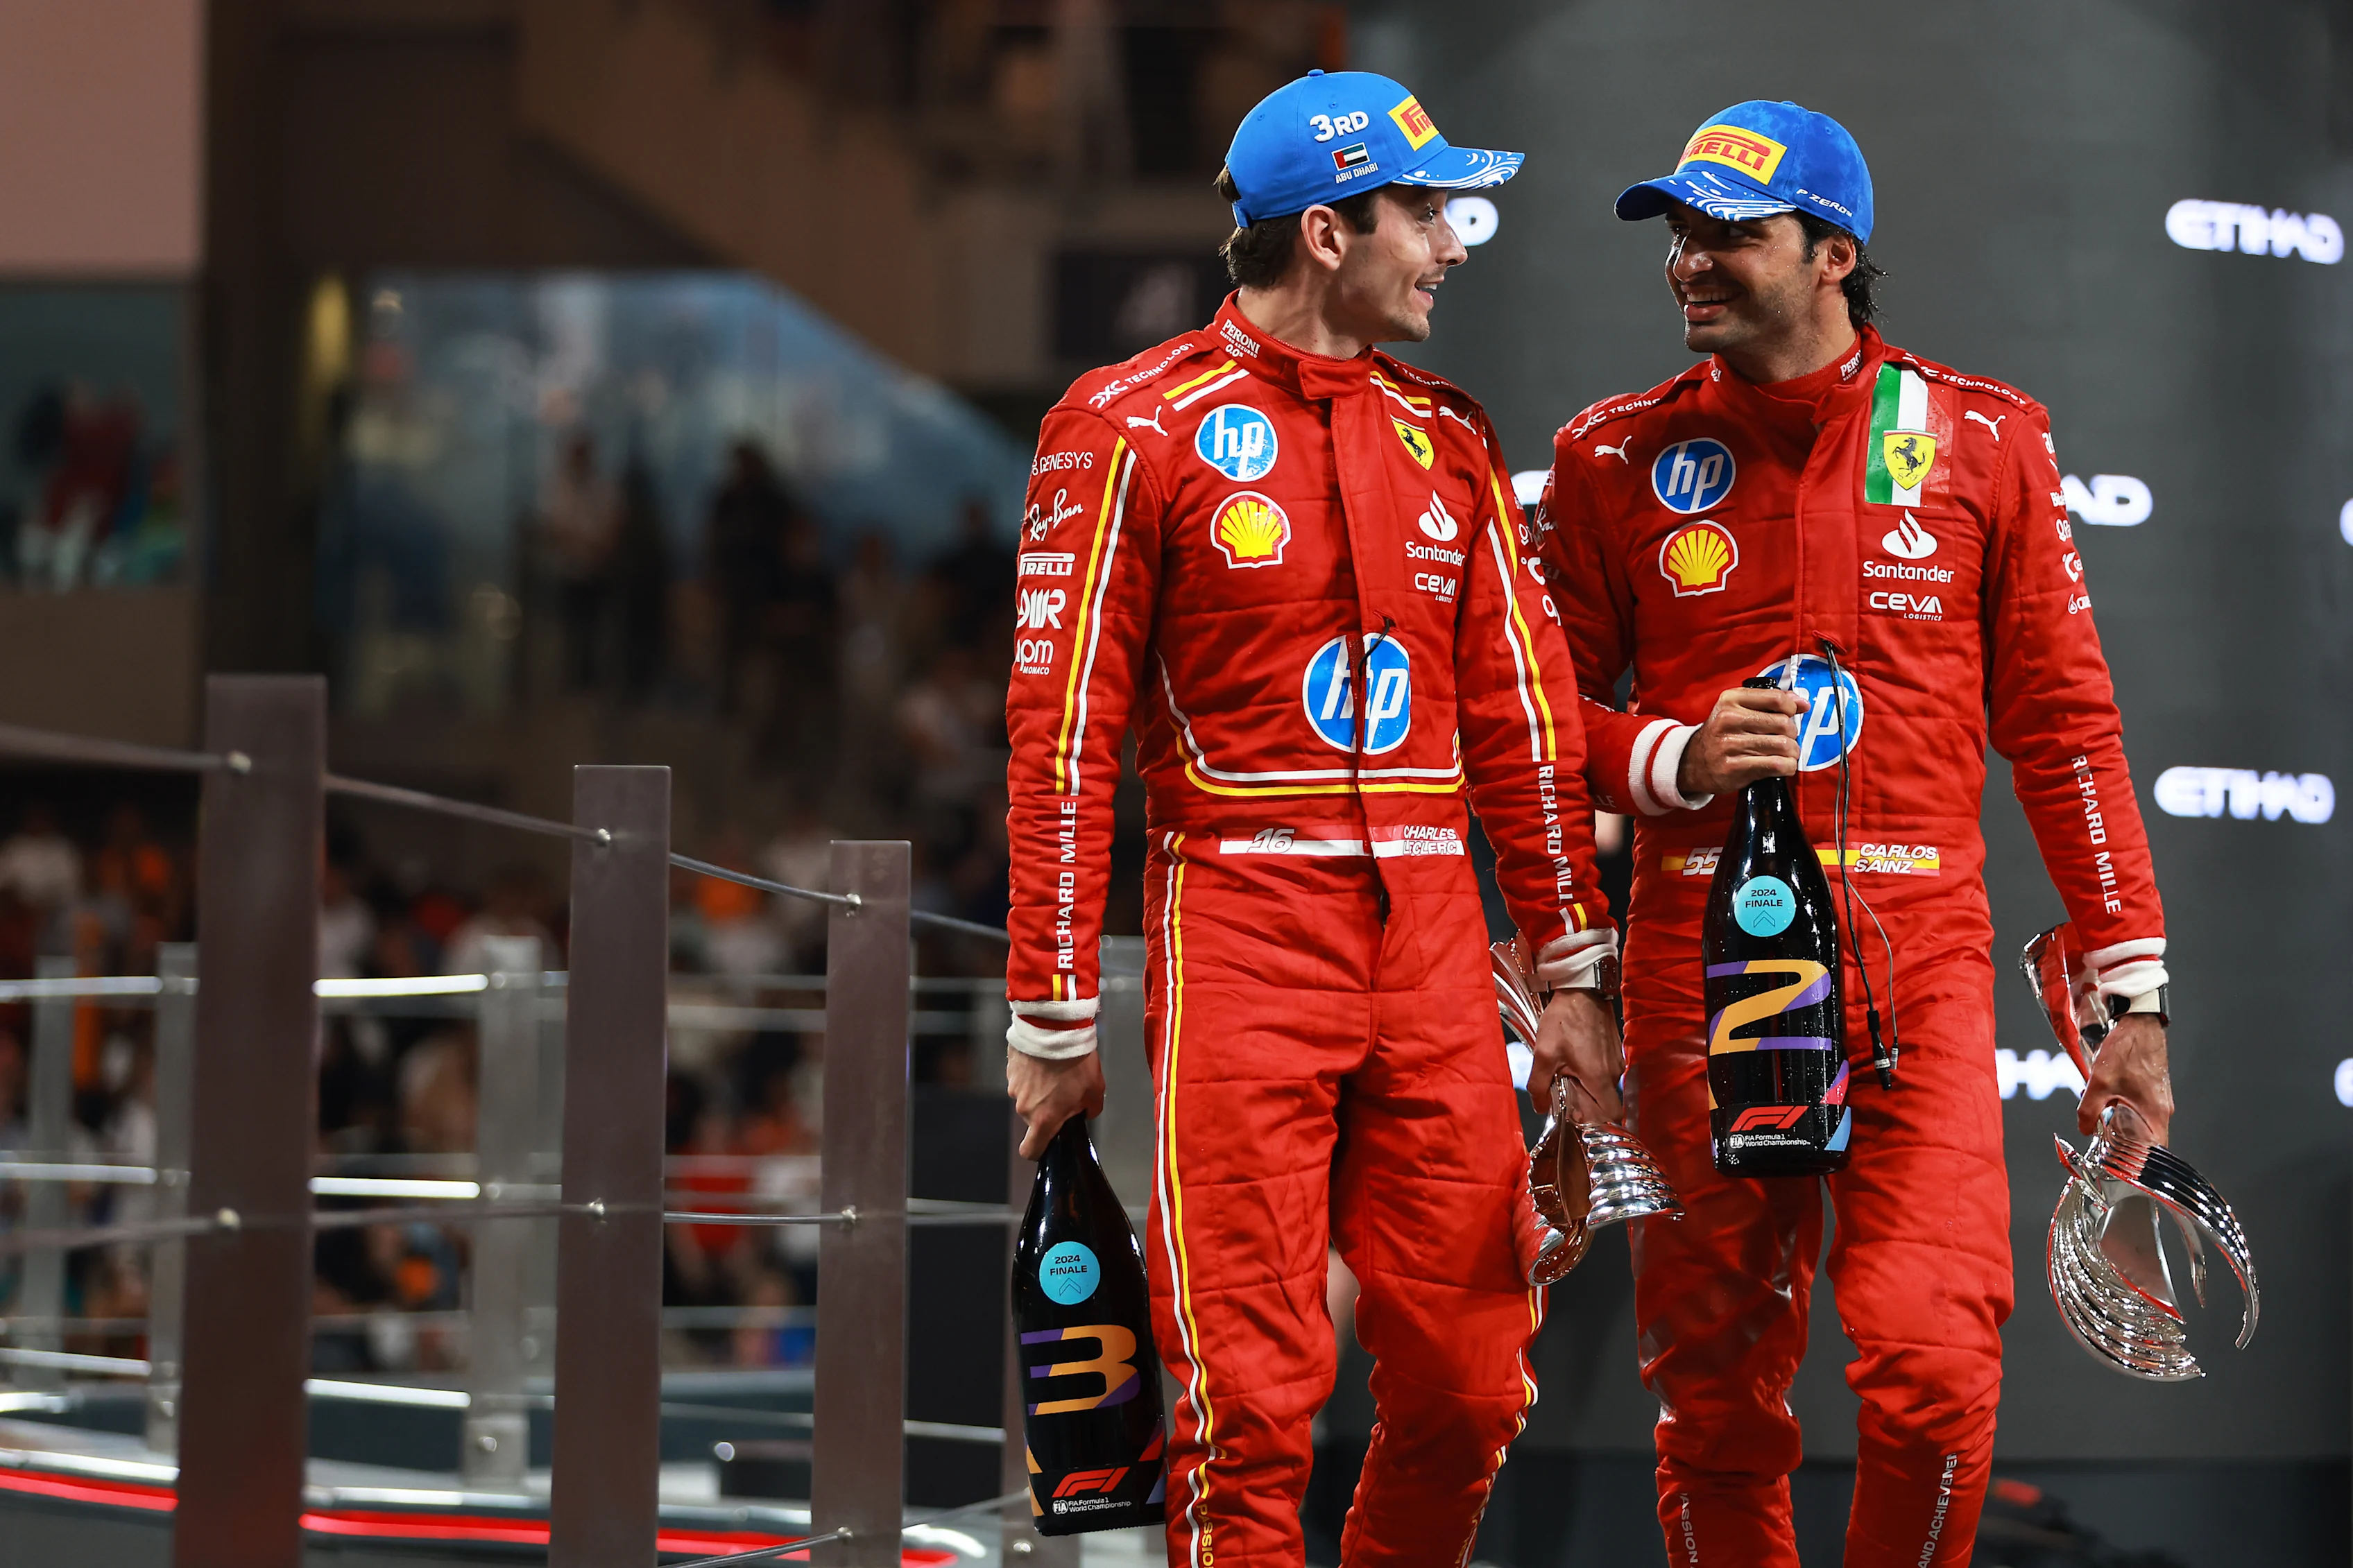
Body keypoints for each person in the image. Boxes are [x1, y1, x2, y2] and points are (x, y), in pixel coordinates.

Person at [1534, 101, 2175, 1567]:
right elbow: (1529, 720)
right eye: (1676, 235)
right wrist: (1672, 755)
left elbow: (2067, 728)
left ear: (1833, 253)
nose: (1689, 261)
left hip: (1919, 952)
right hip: (1697, 957)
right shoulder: (1607, 456)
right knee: (1710, 1391)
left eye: (1727, 236)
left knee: (1937, 1373)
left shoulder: (1983, 437)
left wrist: (2129, 997)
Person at [1004, 70, 1620, 1568]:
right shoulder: (1127, 425)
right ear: (1330, 232)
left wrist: (1573, 966)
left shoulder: (1452, 439)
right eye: (1426, 209)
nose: (1454, 240)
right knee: (1249, 1404)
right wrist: (1051, 1006)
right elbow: (1061, 728)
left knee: (1475, 1383)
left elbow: (1526, 729)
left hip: (1429, 947)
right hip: (1235, 928)